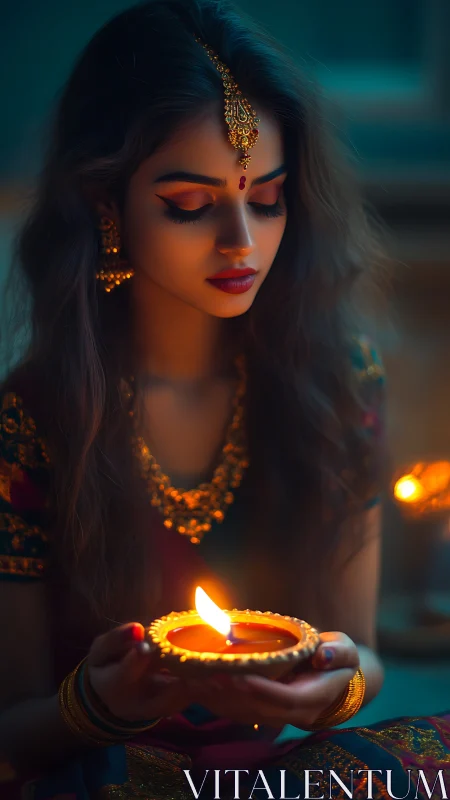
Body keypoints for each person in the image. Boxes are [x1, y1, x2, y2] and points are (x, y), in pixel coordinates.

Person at [0, 0, 448, 797]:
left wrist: (338, 683)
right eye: (191, 205)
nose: (242, 240)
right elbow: (14, 724)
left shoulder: (338, 382)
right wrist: (96, 707)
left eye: (268, 197)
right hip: (106, 771)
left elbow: (366, 653)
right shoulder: (30, 418)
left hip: (275, 776)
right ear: (107, 207)